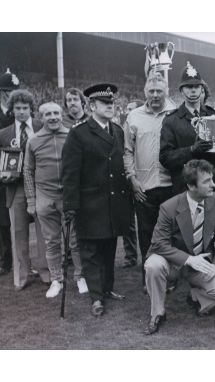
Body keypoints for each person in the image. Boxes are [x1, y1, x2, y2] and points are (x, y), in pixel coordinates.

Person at [62, 83, 133, 317]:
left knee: (109, 247)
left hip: (113, 202)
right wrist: (71, 205)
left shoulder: (118, 131)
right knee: (91, 251)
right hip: (90, 203)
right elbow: (70, 173)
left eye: (112, 103)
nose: (111, 106)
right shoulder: (79, 133)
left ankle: (107, 288)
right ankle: (96, 297)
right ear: (92, 105)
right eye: (105, 103)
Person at [144, 160, 215, 335]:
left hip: (202, 264)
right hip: (174, 264)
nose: (213, 184)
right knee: (152, 265)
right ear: (191, 186)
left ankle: (195, 297)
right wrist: (188, 259)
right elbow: (158, 243)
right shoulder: (169, 207)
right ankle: (157, 313)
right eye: (207, 181)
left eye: (212, 179)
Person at [23, 102, 88, 298]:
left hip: (68, 196)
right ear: (40, 118)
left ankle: (80, 276)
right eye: (47, 114)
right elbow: (28, 171)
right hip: (45, 196)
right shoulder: (33, 141)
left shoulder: (72, 135)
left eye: (56, 113)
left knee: (76, 239)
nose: (52, 117)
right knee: (51, 241)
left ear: (62, 115)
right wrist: (31, 200)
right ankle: (56, 279)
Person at [160, 62, 215, 222]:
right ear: (181, 90)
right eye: (188, 87)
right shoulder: (171, 120)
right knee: (191, 236)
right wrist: (192, 149)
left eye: (196, 86)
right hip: (189, 186)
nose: (193, 90)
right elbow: (165, 158)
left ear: (202, 89)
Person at [123, 76, 175, 271]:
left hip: (170, 185)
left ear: (166, 92)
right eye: (151, 91)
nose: (155, 95)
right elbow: (127, 151)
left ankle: (169, 275)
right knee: (146, 232)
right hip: (144, 186)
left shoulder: (175, 113)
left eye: (159, 91)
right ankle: (148, 274)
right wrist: (132, 178)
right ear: (145, 92)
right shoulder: (134, 116)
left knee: (170, 233)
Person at [0, 89, 49, 290]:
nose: (21, 112)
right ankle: (22, 275)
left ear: (31, 109)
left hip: (41, 186)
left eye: (25, 108)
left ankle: (47, 272)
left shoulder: (42, 127)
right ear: (12, 110)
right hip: (15, 188)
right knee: (18, 233)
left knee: (43, 231)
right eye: (17, 108)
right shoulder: (4, 134)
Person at [0, 68, 19, 277]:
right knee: (2, 220)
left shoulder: (19, 112)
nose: (10, 95)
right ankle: (5, 261)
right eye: (7, 91)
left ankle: (20, 260)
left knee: (20, 218)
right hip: (1, 173)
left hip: (19, 171)